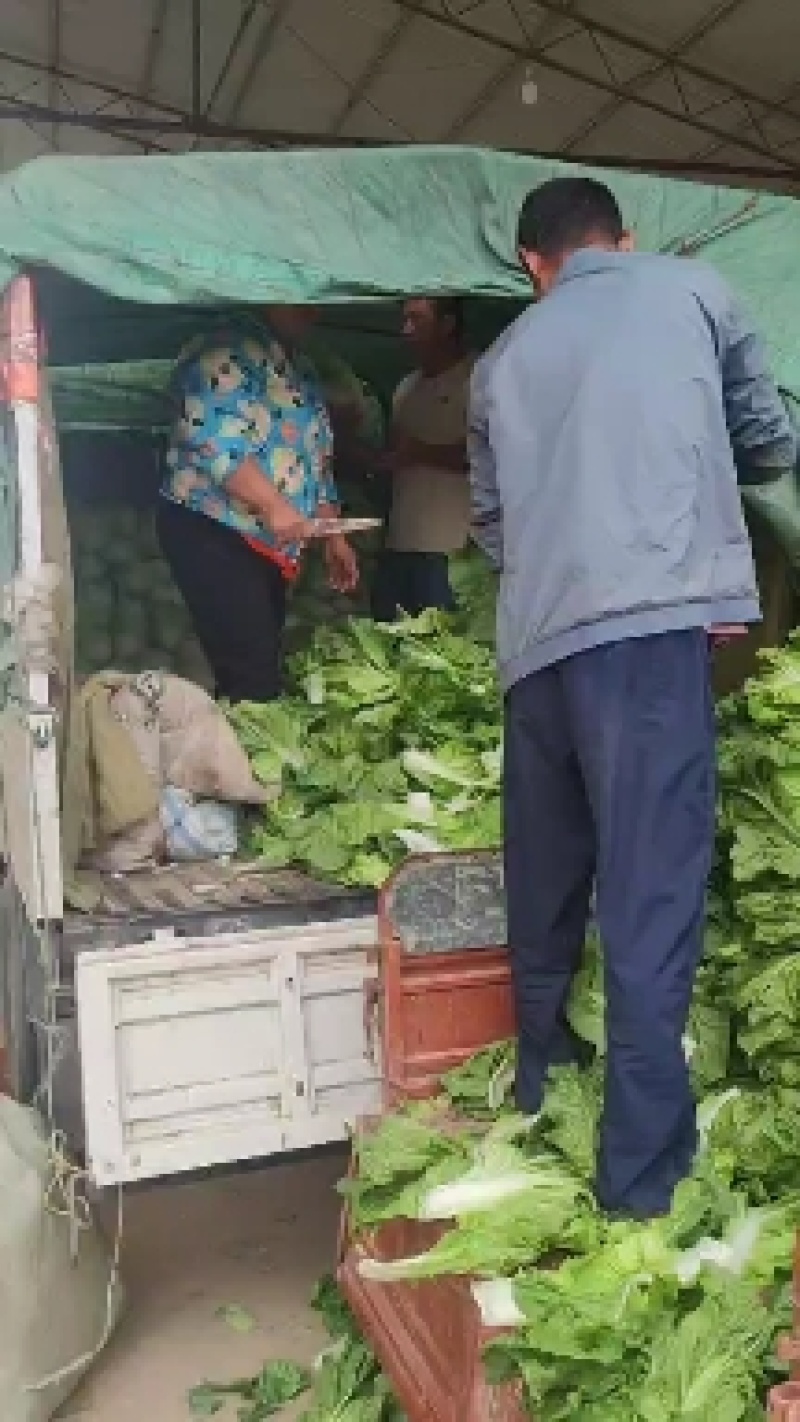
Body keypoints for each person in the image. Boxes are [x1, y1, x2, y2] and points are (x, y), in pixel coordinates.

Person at [469, 177, 797, 1219]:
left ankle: (540, 1083)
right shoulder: (691, 292)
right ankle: (640, 1179)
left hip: (535, 644)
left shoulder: (498, 360)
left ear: (533, 264)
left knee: (549, 871)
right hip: (647, 630)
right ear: (624, 238)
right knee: (650, 892)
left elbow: (490, 526)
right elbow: (765, 436)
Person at [158, 306, 358, 703]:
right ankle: (242, 756)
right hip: (217, 531)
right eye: (299, 301)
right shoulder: (222, 351)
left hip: (264, 542)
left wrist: (334, 535)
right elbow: (214, 440)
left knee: (256, 661)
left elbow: (312, 457)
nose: (312, 312)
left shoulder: (297, 366)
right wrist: (273, 505)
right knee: (252, 678)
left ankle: (241, 744)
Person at [371, 297, 473, 621]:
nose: (406, 330)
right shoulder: (405, 387)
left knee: (447, 656)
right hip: (399, 545)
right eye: (404, 320)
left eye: (417, 320)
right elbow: (394, 457)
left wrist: (421, 452)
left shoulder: (480, 378)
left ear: (447, 325)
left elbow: (494, 454)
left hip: (451, 551)